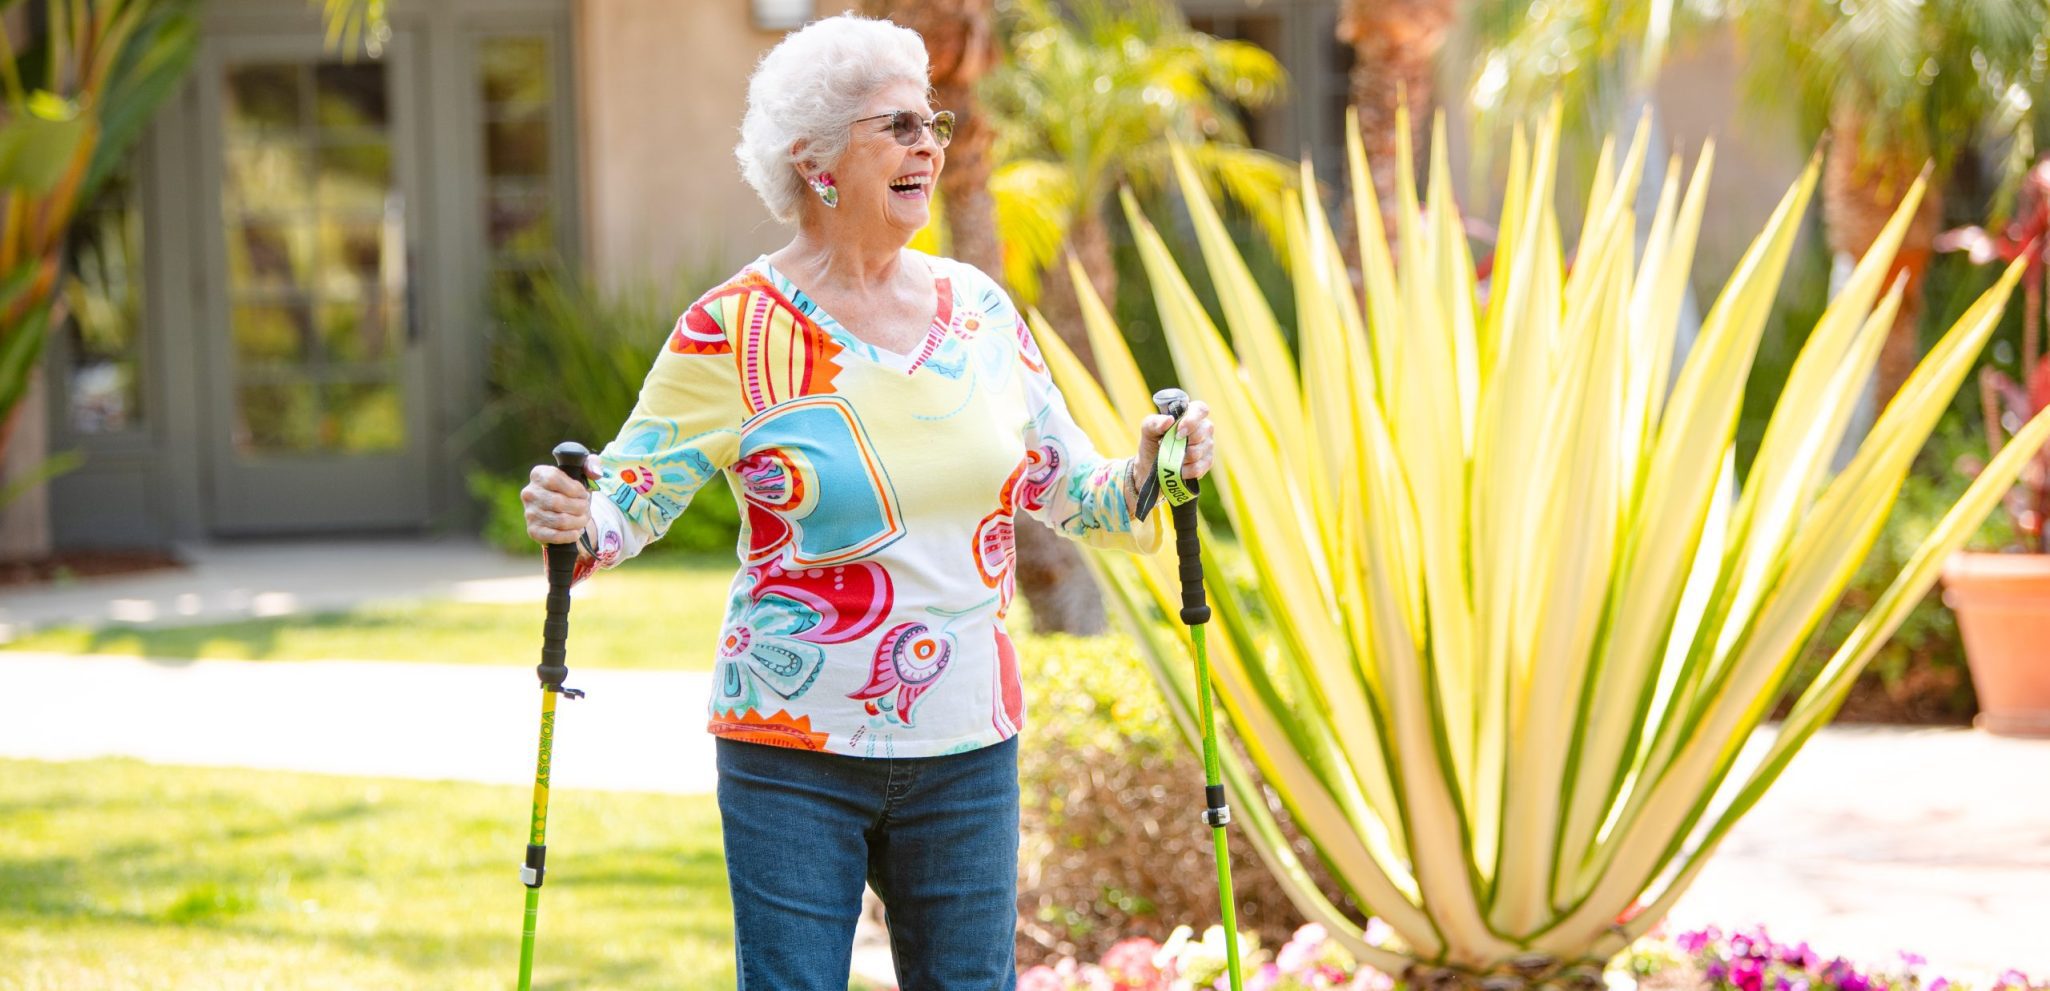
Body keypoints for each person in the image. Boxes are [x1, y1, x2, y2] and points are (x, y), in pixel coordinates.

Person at [519, 13, 1214, 991]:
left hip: (968, 742)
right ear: (815, 162)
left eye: (930, 123)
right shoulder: (734, 330)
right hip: (793, 746)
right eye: (895, 126)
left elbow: (1078, 492)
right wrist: (572, 515)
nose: (929, 144)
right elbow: (626, 500)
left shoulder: (978, 312)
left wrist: (1154, 464)